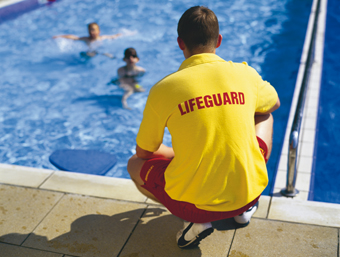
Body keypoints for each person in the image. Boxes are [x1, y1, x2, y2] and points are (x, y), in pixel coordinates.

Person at [127, 6, 280, 249]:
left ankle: (193, 223)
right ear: (218, 40)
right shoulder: (244, 72)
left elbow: (144, 152)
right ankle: (244, 210)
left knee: (134, 163)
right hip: (251, 190)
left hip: (196, 207)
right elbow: (274, 104)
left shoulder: (164, 89)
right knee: (264, 117)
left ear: (180, 43)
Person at [53, 22, 121, 58]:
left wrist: (123, 34)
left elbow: (113, 36)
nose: (92, 32)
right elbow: (74, 37)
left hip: (100, 51)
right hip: (91, 53)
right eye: (90, 30)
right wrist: (60, 36)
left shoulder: (102, 38)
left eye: (93, 30)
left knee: (107, 54)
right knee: (85, 54)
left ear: (99, 31)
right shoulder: (86, 39)